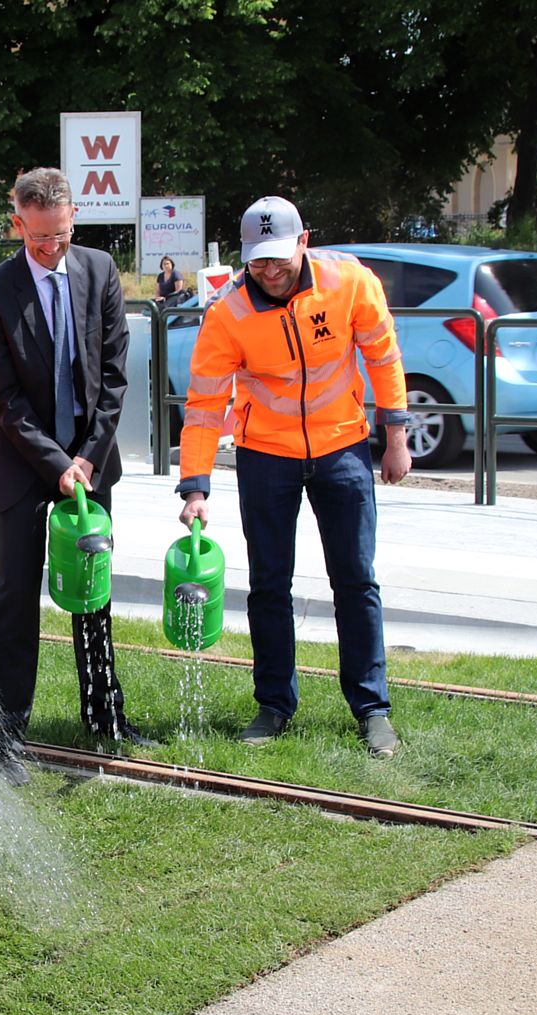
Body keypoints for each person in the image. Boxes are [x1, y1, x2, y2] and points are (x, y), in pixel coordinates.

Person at [175, 196, 412, 758]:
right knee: (268, 584)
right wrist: (195, 485)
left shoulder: (350, 283)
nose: (269, 269)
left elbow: (383, 356)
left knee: (356, 580)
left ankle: (372, 709)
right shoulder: (227, 312)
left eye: (278, 256)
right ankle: (274, 704)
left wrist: (395, 435)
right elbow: (205, 404)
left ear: (304, 240)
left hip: (343, 449)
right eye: (257, 260)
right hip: (265, 456)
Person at [0, 167, 153, 786]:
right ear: (18, 222)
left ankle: (105, 717)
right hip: (23, 464)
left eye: (62, 236)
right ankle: (3, 734)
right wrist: (56, 464)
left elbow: (114, 376)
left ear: (73, 219)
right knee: (14, 599)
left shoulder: (99, 270)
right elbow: (5, 399)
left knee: (91, 589)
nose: (52, 248)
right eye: (40, 238)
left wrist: (87, 459)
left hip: (91, 457)